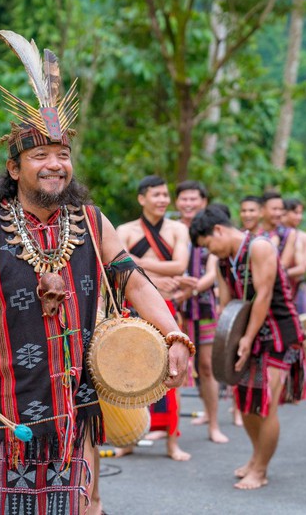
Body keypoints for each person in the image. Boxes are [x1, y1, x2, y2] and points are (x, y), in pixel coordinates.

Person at [0, 29, 191, 515]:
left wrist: (173, 334)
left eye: (62, 155)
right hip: (10, 408)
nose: (55, 164)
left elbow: (134, 281)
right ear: (15, 168)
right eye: (40, 156)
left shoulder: (91, 221)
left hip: (78, 402)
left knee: (75, 505)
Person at [191, 207, 306, 489]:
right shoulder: (222, 261)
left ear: (218, 230)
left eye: (208, 245)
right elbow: (226, 304)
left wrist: (247, 338)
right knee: (247, 402)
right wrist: (226, 342)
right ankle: (256, 458)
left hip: (278, 332)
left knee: (264, 403)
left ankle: (261, 470)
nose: (210, 252)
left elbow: (264, 295)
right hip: (246, 334)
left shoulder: (260, 247)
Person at [116, 175, 192, 460]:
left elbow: (181, 265)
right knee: (131, 374)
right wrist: (158, 277)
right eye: (156, 195)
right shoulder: (124, 230)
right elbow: (118, 266)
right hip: (133, 308)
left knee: (173, 372)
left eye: (165, 195)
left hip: (168, 311)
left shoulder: (178, 230)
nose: (162, 200)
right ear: (141, 198)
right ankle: (128, 437)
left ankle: (173, 442)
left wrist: (141, 265)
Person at [173, 180, 228, 444]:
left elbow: (212, 274)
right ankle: (172, 430)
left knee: (207, 366)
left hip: (203, 304)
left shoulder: (212, 230)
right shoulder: (171, 230)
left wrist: (190, 290)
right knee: (174, 367)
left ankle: (214, 423)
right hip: (174, 304)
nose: (189, 204)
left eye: (194, 199)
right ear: (177, 203)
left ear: (203, 202)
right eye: (184, 199)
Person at [282, 198, 306, 314]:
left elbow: (304, 266)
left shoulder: (304, 237)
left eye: (300, 213)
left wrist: (281, 274)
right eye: (295, 213)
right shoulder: (276, 235)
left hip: (297, 286)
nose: (299, 217)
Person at [258, 191, 297, 271]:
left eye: (281, 209)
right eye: (274, 209)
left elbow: (284, 264)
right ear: (262, 211)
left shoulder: (289, 233)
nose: (278, 213)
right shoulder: (252, 233)